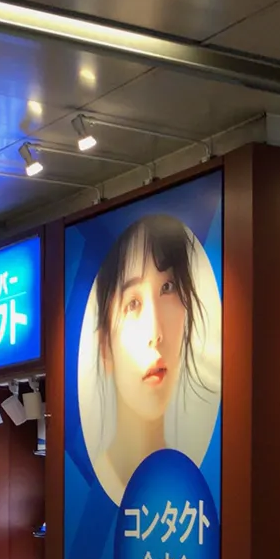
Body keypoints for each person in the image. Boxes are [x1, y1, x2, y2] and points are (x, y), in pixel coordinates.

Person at [87, 214, 209, 499]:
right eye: (133, 303)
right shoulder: (91, 488)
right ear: (104, 346)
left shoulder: (191, 481)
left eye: (168, 288)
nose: (155, 333)